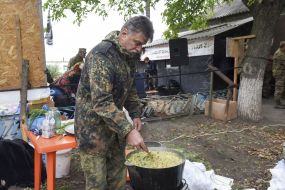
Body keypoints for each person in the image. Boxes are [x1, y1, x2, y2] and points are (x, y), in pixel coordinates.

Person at [75, 16, 154, 190]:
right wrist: (128, 131)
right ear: (124, 33)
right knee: (98, 184)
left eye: (142, 45)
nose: (139, 49)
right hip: (92, 131)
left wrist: (135, 113)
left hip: (115, 129)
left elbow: (130, 86)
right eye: (137, 43)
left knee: (117, 181)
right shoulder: (101, 56)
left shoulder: (129, 56)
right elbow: (102, 102)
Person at [272, 41, 285, 109]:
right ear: (283, 47)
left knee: (280, 88)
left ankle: (279, 102)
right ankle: (277, 104)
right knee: (279, 89)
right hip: (279, 74)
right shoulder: (279, 54)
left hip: (281, 73)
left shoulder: (282, 52)